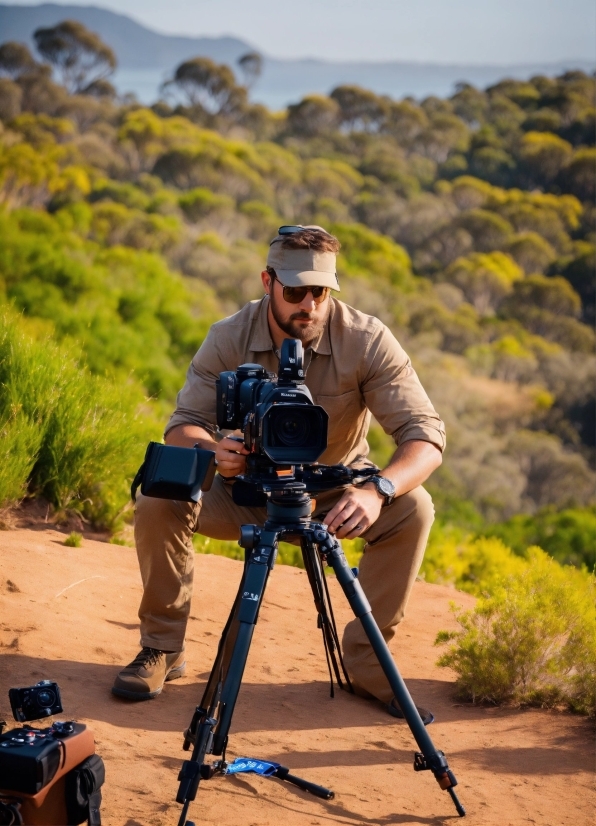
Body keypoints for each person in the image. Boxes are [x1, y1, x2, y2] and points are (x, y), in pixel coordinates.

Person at [112, 226, 445, 723]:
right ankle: (162, 648)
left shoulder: (366, 339)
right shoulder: (229, 336)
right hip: (243, 487)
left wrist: (377, 490)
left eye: (320, 292)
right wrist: (217, 449)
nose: (308, 304)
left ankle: (368, 665)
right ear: (267, 282)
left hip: (333, 495)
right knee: (162, 495)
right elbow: (183, 426)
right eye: (294, 291)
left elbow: (426, 436)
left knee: (414, 507)